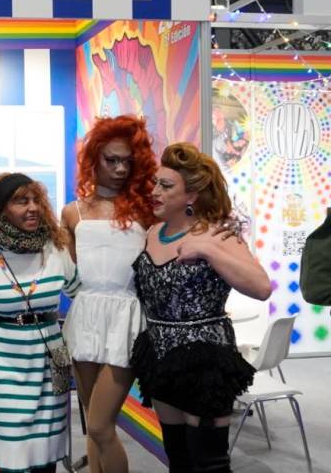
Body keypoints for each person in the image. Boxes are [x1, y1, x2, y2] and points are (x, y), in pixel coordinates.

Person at [130, 143, 270, 473]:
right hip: (160, 356)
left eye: (166, 186)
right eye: (155, 183)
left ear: (191, 195)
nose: (155, 192)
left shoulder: (217, 234)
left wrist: (208, 250)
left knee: (209, 464)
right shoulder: (152, 233)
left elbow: (261, 287)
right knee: (178, 459)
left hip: (205, 362)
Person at [60, 115, 157, 473]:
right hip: (85, 314)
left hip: (126, 318)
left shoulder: (146, 210)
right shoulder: (72, 212)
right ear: (94, 159)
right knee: (93, 421)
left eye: (126, 161)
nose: (119, 169)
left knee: (101, 425)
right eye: (111, 160)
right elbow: (68, 270)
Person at [0, 173, 80, 473]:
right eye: (21, 201)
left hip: (53, 358)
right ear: (1, 209)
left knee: (48, 451)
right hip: (4, 360)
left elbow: (80, 293)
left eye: (35, 200)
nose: (32, 208)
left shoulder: (56, 247)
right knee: (11, 453)